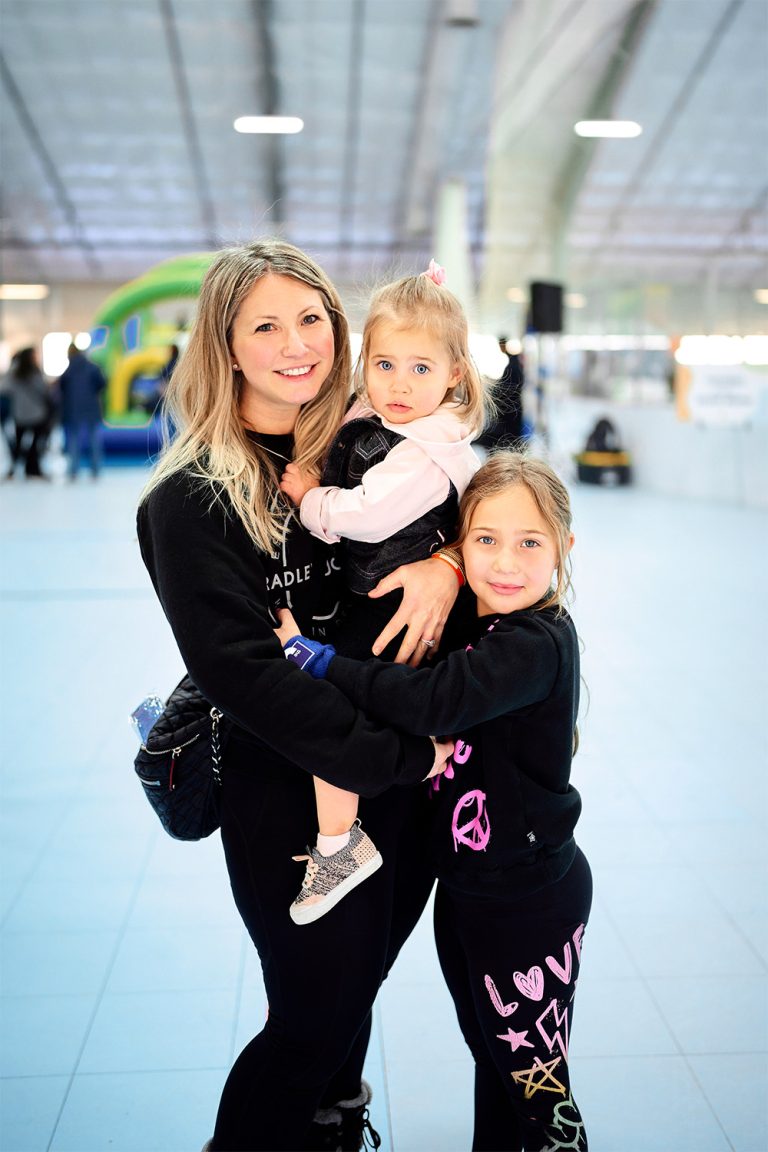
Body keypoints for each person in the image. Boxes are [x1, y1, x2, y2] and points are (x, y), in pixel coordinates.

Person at [136, 238, 462, 1152]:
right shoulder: (192, 499)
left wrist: (444, 565)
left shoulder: (370, 446)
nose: (296, 344)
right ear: (226, 347)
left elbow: (501, 522)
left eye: (312, 318)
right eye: (266, 326)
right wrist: (393, 756)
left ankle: (334, 1127)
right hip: (292, 794)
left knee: (354, 995)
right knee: (312, 1016)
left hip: (399, 786)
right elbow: (246, 676)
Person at [277, 451, 592, 1151]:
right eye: (486, 540)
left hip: (528, 898)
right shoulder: (479, 623)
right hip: (472, 890)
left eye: (529, 543)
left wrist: (317, 661)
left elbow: (432, 700)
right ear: (459, 544)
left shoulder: (533, 642)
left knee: (535, 1083)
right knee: (493, 1056)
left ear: (563, 547)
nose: (505, 563)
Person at [278, 259, 484, 925]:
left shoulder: (427, 448)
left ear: (455, 374)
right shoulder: (387, 418)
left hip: (394, 610)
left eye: (420, 368)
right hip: (376, 598)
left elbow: (367, 516)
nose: (398, 384)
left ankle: (339, 845)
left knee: (329, 714)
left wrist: (311, 500)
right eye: (385, 364)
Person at [58, 343, 107, 479]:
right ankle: (95, 469)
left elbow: (61, 388)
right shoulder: (93, 367)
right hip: (91, 408)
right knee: (94, 439)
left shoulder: (68, 370)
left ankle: (73, 470)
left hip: (73, 408)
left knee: (73, 440)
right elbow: (102, 384)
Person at [3, 346, 52, 479]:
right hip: (37, 413)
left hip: (20, 413)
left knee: (19, 443)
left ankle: (15, 468)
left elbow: (4, 388)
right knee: (35, 444)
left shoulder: (14, 373)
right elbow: (43, 390)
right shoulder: (35, 372)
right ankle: (32, 468)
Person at [478, 337, 524, 450]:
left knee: (509, 439)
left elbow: (509, 388)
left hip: (511, 409)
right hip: (512, 408)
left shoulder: (513, 365)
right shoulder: (513, 364)